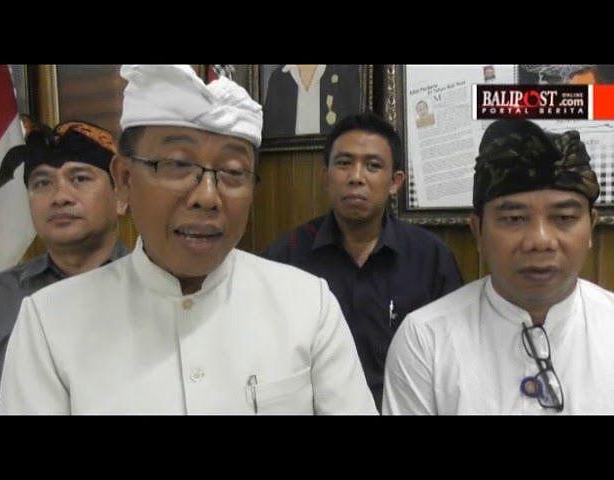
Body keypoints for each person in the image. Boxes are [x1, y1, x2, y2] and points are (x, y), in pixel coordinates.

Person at [0, 65, 376, 415]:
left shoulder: (307, 305)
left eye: (233, 172)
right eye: (177, 165)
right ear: (124, 180)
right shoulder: (50, 323)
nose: (208, 197)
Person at [383, 119, 614, 414]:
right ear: (478, 231)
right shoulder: (426, 339)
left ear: (591, 227)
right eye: (514, 219)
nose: (540, 241)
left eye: (564, 218)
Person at [263, 112, 463, 411]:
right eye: (344, 163)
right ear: (325, 177)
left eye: (373, 166)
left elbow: (454, 356)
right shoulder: (286, 257)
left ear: (395, 182)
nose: (356, 177)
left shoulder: (430, 257)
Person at [0, 119, 128, 415]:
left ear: (121, 197)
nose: (60, 197)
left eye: (80, 178)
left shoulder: (159, 288)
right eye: (42, 183)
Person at [262, 65, 361, 137]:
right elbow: (270, 133)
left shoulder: (345, 74)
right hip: (288, 158)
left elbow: (356, 130)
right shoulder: (278, 78)